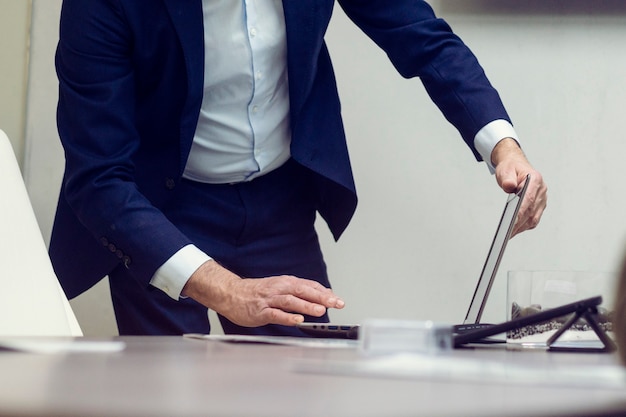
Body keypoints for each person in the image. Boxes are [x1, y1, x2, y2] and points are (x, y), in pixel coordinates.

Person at [50, 0, 548, 336]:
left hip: (277, 202)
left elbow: (423, 38)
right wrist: (228, 289)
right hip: (156, 210)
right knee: (173, 394)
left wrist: (503, 146)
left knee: (307, 390)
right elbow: (98, 177)